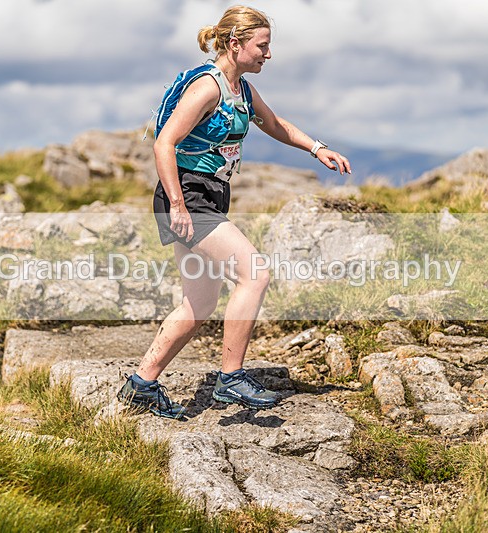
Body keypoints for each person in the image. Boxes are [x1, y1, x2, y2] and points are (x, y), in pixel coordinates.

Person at [117, 5, 351, 418]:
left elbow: (273, 123)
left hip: (207, 195)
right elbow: (163, 143)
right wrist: (177, 204)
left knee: (197, 306)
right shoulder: (208, 87)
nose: (268, 54)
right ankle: (231, 378)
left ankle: (142, 384)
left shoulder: (239, 87)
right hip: (188, 196)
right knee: (255, 273)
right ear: (235, 43)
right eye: (262, 46)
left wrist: (318, 148)